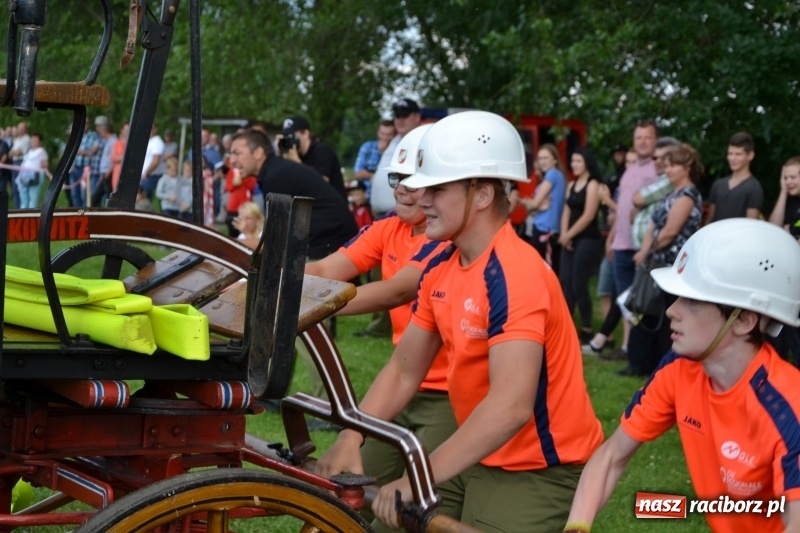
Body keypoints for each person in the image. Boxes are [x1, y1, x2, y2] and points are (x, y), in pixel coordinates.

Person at [316, 111, 603, 532]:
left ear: (483, 194)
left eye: (436, 187)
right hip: (477, 450)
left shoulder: (515, 274)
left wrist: (417, 478)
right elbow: (402, 369)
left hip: (539, 466)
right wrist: (350, 435)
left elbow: (510, 407)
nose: (421, 197)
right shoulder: (441, 266)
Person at [565, 218, 800, 533]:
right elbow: (610, 457)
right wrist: (577, 527)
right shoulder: (679, 368)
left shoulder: (789, 407)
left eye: (692, 300)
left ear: (743, 320)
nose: (672, 311)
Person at [626, 143, 704, 376]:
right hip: (657, 261)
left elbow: (670, 232)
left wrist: (646, 252)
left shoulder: (689, 194)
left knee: (668, 313)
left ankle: (668, 365)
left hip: (674, 264)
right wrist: (648, 246)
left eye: (672, 166)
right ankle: (644, 363)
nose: (667, 171)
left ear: (686, 167)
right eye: (667, 166)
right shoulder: (672, 193)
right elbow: (654, 223)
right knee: (650, 311)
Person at [606, 121, 659, 371]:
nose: (642, 142)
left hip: (642, 247)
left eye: (647, 137)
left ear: (655, 140)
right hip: (622, 243)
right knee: (627, 304)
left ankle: (641, 360)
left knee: (642, 305)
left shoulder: (658, 168)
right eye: (638, 137)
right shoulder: (630, 170)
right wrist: (612, 238)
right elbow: (623, 209)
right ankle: (632, 354)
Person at [558, 146, 603, 344]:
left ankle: (586, 328)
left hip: (588, 239)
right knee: (565, 282)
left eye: (578, 161)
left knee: (579, 283)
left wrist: (568, 235)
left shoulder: (593, 184)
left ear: (587, 162)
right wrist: (563, 235)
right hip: (570, 238)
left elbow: (588, 216)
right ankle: (567, 327)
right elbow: (566, 212)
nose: (574, 164)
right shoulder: (571, 185)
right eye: (573, 161)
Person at [369, 98, 422, 216]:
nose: (400, 120)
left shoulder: (421, 140)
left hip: (402, 213)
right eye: (397, 116)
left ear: (417, 117)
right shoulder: (394, 140)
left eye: (405, 115)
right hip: (381, 214)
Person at [519, 143, 566, 273]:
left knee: (544, 271)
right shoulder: (555, 176)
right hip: (542, 229)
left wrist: (523, 201)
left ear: (555, 159)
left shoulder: (553, 174)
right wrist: (536, 205)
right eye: (540, 158)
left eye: (546, 158)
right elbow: (534, 207)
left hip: (545, 230)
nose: (542, 161)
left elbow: (533, 205)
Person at [277, 115, 346, 199]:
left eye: (291, 136)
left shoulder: (321, 151)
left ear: (306, 134)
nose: (288, 140)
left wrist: (296, 162)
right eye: (285, 137)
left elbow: (322, 183)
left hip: (333, 206)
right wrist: (279, 155)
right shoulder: (291, 155)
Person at [704, 131, 763, 224]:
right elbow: (709, 220)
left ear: (750, 155)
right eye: (730, 154)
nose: (732, 158)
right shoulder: (718, 184)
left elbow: (751, 226)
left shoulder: (754, 188)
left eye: (738, 154)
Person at [353, 119, 396, 198]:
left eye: (389, 134)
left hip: (385, 196)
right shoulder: (367, 147)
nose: (385, 137)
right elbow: (357, 174)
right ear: (378, 133)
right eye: (383, 134)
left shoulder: (396, 151)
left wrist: (384, 153)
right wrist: (374, 176)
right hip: (366, 195)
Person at [67, 118, 99, 208]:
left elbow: (92, 152)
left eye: (87, 123)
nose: (85, 125)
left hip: (86, 171)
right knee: (74, 194)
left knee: (84, 194)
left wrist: (81, 151)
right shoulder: (75, 135)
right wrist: (86, 152)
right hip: (74, 169)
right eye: (83, 123)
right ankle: (76, 214)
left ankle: (84, 214)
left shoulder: (93, 136)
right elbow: (71, 151)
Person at [16, 133, 47, 209]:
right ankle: (23, 215)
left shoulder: (41, 151)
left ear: (40, 141)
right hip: (24, 176)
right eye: (32, 139)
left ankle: (31, 215)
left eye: (35, 139)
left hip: (35, 176)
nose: (33, 141)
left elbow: (45, 164)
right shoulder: (29, 152)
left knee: (33, 197)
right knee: (24, 197)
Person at [91, 115, 117, 206]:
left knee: (108, 197)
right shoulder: (107, 141)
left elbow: (114, 159)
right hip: (104, 175)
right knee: (95, 198)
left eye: (100, 129)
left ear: (105, 129)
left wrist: (108, 172)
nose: (99, 132)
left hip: (108, 174)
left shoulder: (113, 141)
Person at [141, 124, 166, 200]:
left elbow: (156, 160)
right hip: (147, 176)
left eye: (151, 129)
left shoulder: (157, 142)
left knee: (144, 199)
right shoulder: (149, 141)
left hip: (152, 176)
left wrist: (146, 173)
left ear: (155, 130)